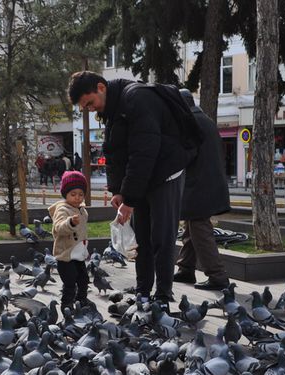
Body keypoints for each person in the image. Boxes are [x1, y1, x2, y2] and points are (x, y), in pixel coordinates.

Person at [68, 71, 195, 309]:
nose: (91, 109)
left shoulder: (136, 99)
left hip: (166, 173)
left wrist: (130, 199)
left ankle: (163, 296)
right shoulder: (113, 109)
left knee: (162, 238)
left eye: (90, 103)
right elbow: (116, 152)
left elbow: (143, 154)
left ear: (101, 87)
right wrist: (118, 191)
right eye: (86, 107)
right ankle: (143, 292)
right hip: (145, 177)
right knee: (141, 239)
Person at [173, 89, 230, 290]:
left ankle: (218, 276)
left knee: (200, 230)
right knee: (192, 227)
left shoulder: (190, 123)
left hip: (198, 186)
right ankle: (185, 269)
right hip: (207, 183)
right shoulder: (205, 120)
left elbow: (182, 156)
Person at [48, 171, 90, 311]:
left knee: (84, 279)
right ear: (65, 194)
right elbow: (58, 228)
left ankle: (81, 301)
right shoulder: (62, 210)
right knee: (70, 282)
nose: (77, 198)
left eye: (81, 194)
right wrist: (70, 223)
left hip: (78, 254)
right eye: (73, 194)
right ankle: (67, 305)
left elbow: (83, 233)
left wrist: (85, 250)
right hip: (65, 256)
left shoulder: (82, 210)